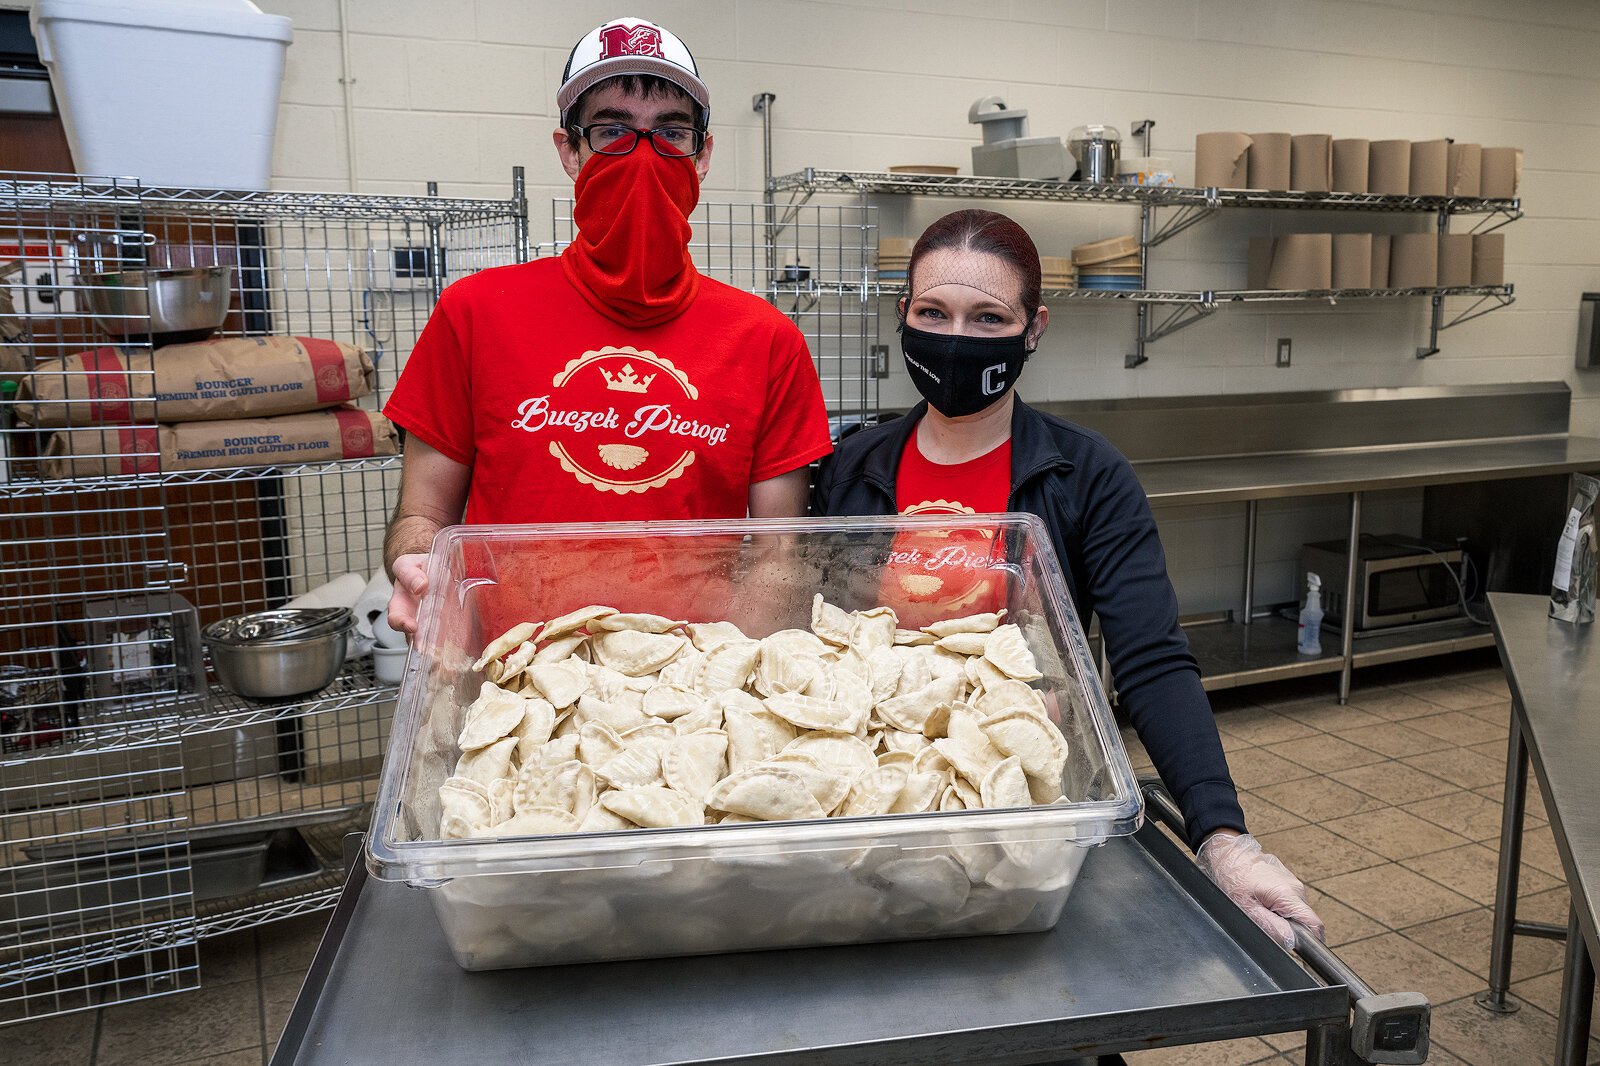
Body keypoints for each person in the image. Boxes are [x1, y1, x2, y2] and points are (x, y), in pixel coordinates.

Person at [812, 209, 1324, 949]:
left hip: (1028, 803)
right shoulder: (856, 467)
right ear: (904, 314)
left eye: (988, 317)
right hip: (877, 799)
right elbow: (814, 645)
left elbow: (1151, 660)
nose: (955, 337)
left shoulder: (1085, 476)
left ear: (1033, 327)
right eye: (933, 312)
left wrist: (1223, 836)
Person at [382, 17, 832, 632]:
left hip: (693, 690)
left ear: (702, 154)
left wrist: (722, 685)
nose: (644, 155)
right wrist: (418, 568)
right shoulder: (475, 312)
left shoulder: (766, 340)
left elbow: (778, 555)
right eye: (613, 130)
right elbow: (423, 515)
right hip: (517, 685)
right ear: (570, 151)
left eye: (671, 131)